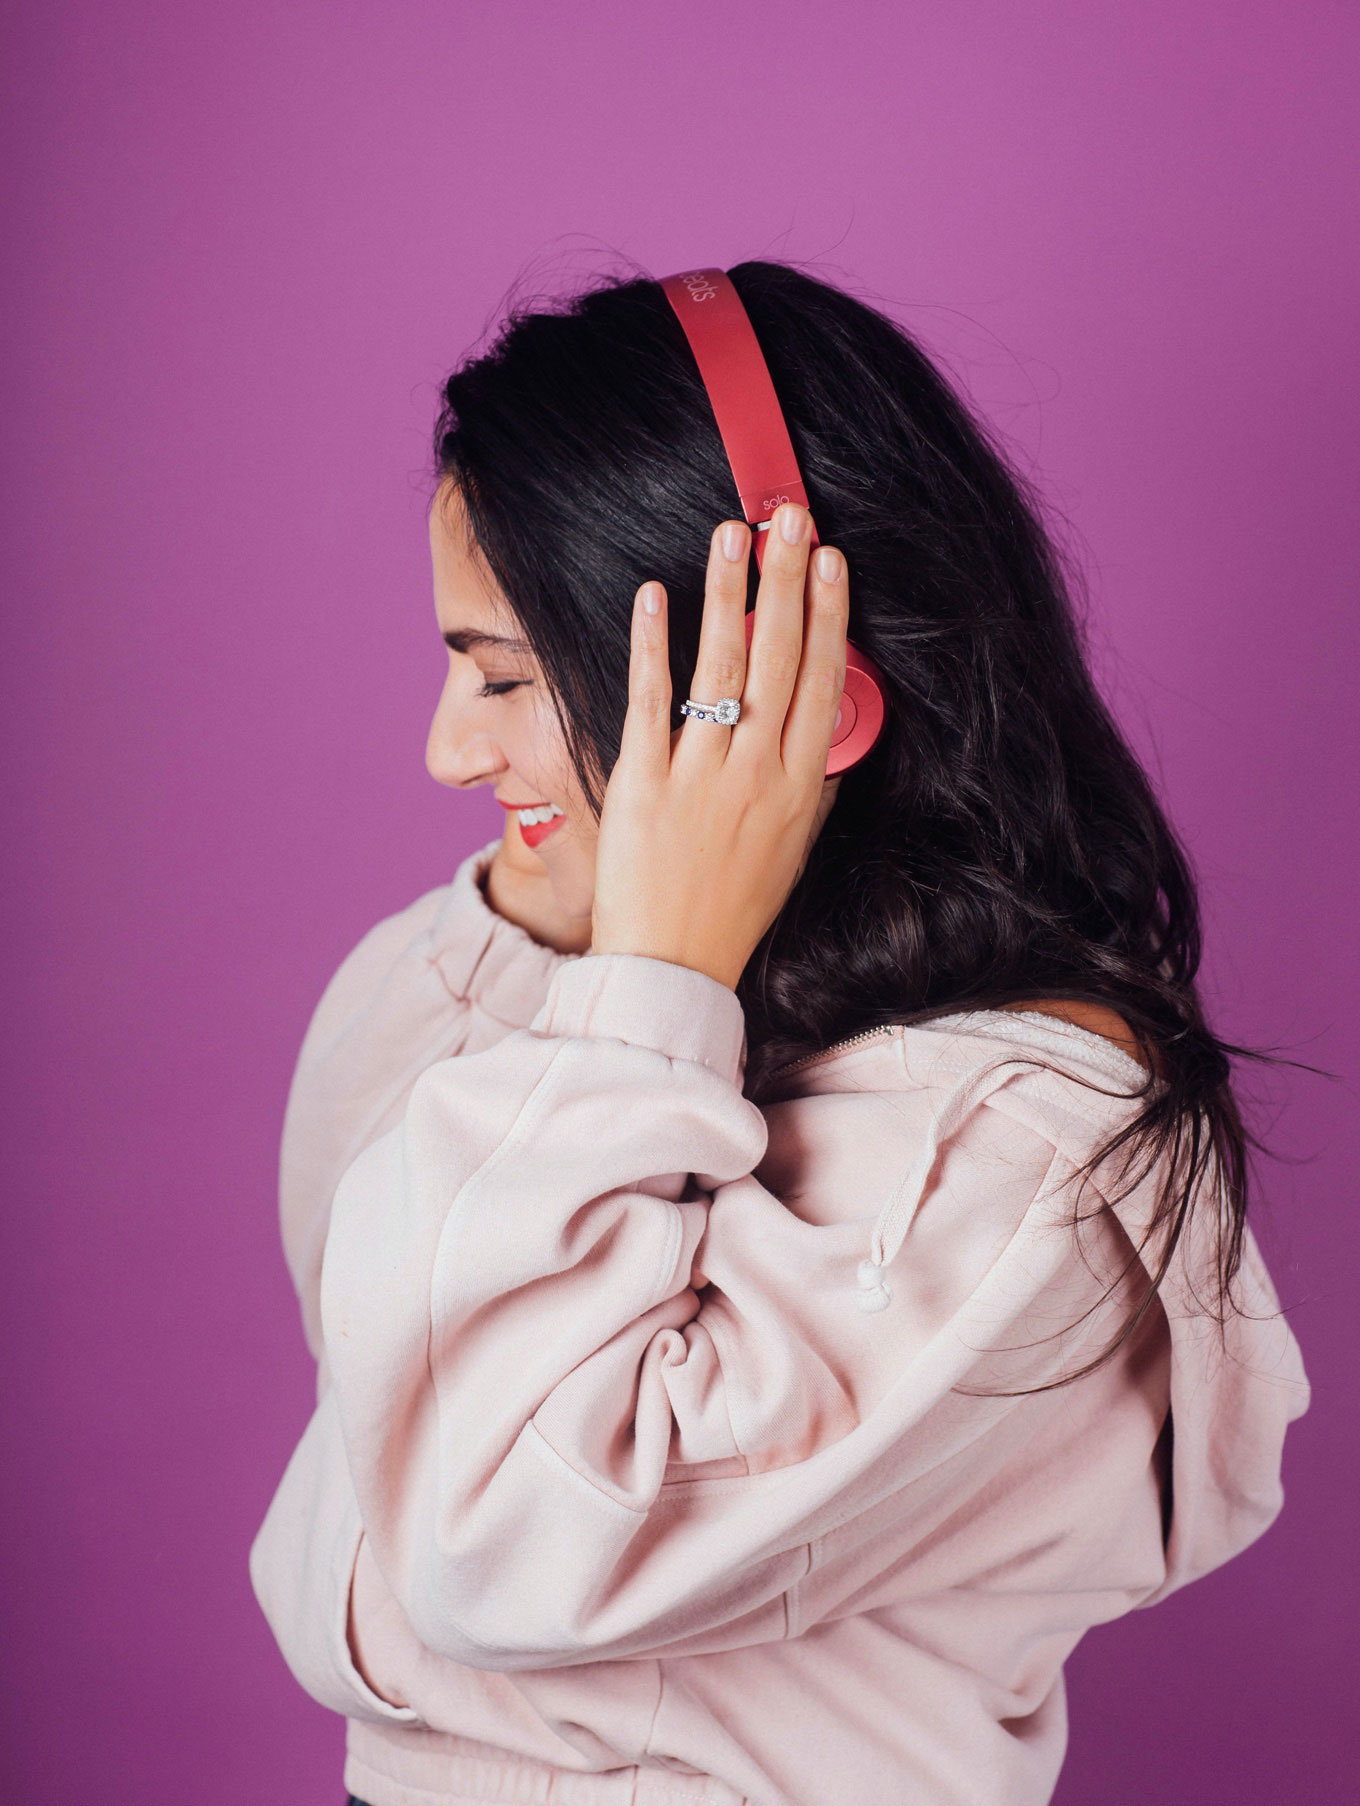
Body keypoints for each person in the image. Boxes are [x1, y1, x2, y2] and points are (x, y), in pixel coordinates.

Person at [249, 261, 1309, 1806]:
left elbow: (505, 1542)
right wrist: (636, 963)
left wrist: (654, 973)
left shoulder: (1020, 1157)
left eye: (502, 675)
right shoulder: (479, 973)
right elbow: (390, 1396)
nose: (446, 748)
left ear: (782, 691)